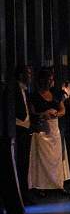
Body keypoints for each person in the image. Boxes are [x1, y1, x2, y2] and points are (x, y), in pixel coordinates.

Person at [28, 68, 70, 196]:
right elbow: (32, 113)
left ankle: (58, 184)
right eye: (48, 79)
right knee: (42, 160)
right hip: (41, 131)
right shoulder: (34, 96)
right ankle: (41, 186)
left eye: (52, 79)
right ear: (42, 80)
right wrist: (43, 114)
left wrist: (56, 113)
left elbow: (63, 110)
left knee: (56, 158)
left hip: (54, 129)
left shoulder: (56, 94)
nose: (51, 81)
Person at [10, 65, 33, 203]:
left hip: (25, 128)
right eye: (27, 73)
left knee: (24, 163)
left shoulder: (25, 91)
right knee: (19, 163)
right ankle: (19, 195)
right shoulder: (14, 89)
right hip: (18, 129)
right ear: (20, 75)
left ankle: (24, 194)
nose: (30, 76)